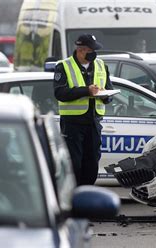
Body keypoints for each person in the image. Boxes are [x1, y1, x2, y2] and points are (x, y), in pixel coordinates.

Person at [54, 34, 113, 185]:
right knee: (74, 163)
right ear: (80, 50)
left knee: (92, 162)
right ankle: (74, 197)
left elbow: (109, 91)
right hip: (73, 124)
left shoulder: (101, 65)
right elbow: (60, 93)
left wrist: (106, 96)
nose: (94, 53)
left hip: (94, 122)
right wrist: (86, 91)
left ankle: (87, 193)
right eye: (90, 50)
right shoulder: (64, 66)